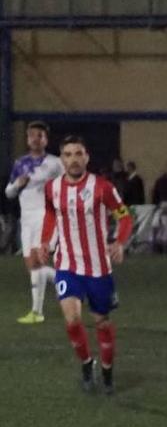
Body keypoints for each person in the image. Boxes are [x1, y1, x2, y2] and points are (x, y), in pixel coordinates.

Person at [31, 135, 134, 395]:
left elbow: (124, 217)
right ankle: (87, 364)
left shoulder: (102, 187)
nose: (73, 159)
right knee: (72, 320)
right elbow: (52, 215)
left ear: (86, 157)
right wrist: (46, 242)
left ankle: (108, 370)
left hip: (99, 267)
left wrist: (119, 242)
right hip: (67, 264)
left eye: (78, 154)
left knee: (101, 322)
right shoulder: (52, 188)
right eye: (67, 154)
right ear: (62, 159)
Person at [5, 121, 64, 324]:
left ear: (46, 139)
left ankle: (37, 313)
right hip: (27, 217)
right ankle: (71, 285)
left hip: (45, 215)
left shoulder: (56, 163)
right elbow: (8, 193)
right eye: (31, 135)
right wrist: (17, 184)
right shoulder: (20, 163)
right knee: (32, 267)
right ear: (28, 139)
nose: (35, 139)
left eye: (40, 135)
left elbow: (68, 185)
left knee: (38, 262)